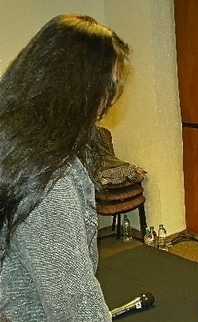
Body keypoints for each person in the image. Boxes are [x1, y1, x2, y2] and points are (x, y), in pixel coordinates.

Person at [0, 15, 129, 321]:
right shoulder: (49, 175)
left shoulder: (13, 144)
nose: (108, 102)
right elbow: (74, 303)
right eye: (108, 87)